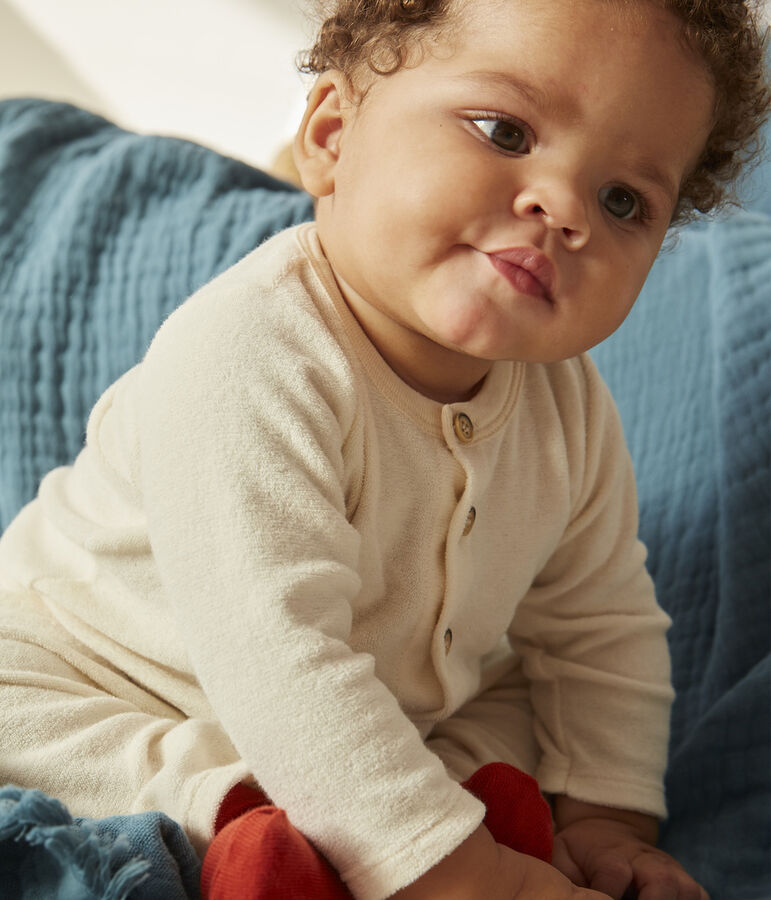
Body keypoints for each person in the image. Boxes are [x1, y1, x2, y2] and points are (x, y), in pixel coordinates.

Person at [0, 0, 767, 898]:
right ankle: (280, 845)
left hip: (368, 716)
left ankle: (390, 830)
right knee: (80, 746)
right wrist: (471, 877)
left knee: (511, 698)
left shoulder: (568, 406)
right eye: (502, 129)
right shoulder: (250, 351)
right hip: (104, 686)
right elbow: (281, 660)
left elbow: (599, 627)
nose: (562, 208)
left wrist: (605, 818)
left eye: (622, 200)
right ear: (331, 135)